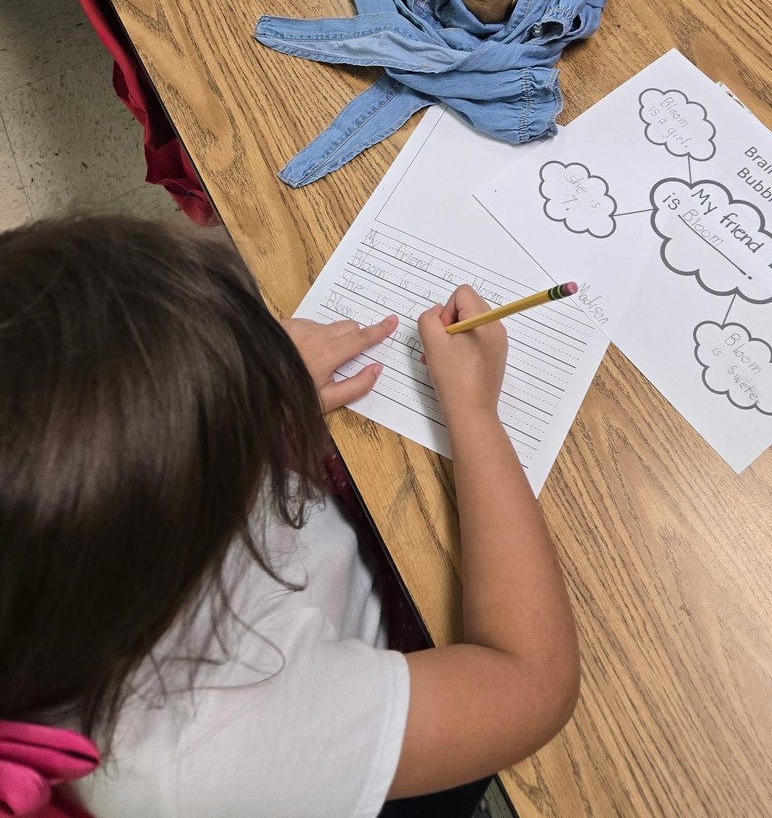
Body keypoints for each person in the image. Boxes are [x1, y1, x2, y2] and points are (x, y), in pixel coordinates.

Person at [0, 214, 580, 818]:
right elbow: (530, 684)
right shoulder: (207, 746)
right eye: (236, 399)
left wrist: (262, 391)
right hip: (377, 725)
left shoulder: (62, 564)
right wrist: (475, 409)